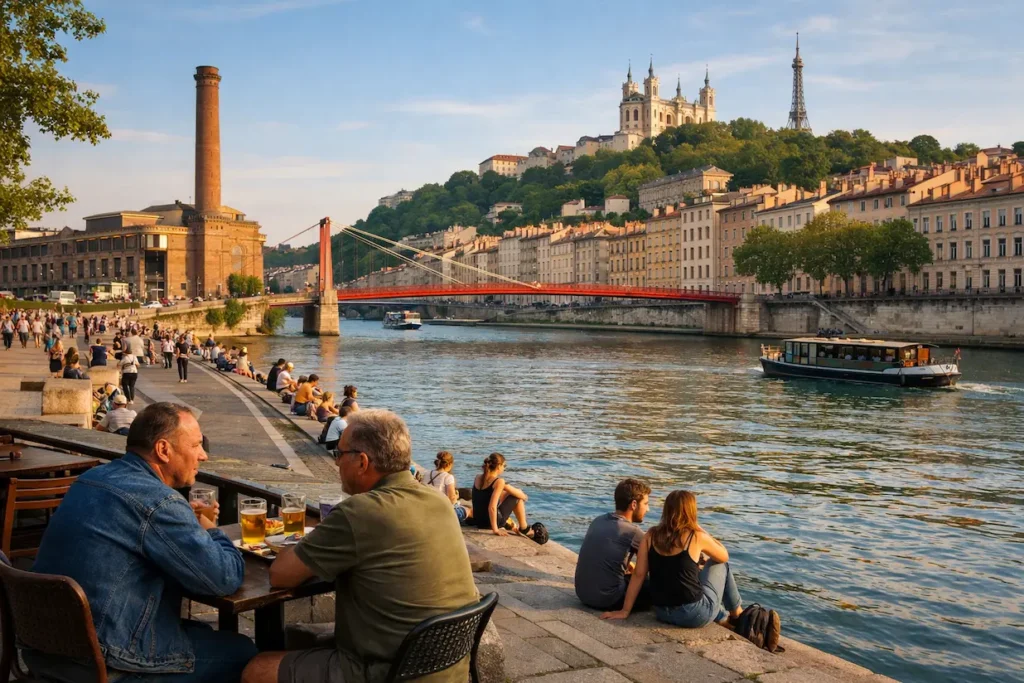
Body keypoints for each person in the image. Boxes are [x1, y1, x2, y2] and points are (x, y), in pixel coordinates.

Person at [240, 409, 479, 683]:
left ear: (362, 462)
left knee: (256, 669)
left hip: (390, 672)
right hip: (447, 668)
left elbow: (281, 574)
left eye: (339, 454)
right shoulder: (438, 501)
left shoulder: (360, 511)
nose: (337, 462)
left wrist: (310, 540)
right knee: (300, 640)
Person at [29, 403, 257, 682]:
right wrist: (208, 527)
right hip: (104, 661)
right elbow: (224, 577)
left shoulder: (91, 478)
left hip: (45, 648)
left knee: (202, 634)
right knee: (243, 651)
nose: (203, 455)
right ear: (163, 450)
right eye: (197, 445)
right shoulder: (159, 502)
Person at [601, 490, 748, 633]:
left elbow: (638, 575)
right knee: (721, 565)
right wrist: (698, 527)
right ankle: (737, 615)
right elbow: (724, 556)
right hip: (694, 616)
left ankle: (725, 617)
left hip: (662, 612)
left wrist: (625, 611)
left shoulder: (651, 535)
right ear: (691, 511)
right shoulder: (695, 536)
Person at [575, 479, 652, 611]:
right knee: (657, 586)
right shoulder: (633, 532)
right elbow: (658, 564)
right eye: (646, 503)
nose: (648, 509)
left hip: (583, 595)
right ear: (634, 504)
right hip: (609, 600)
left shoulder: (597, 520)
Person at [472, 452, 539, 541]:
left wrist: (511, 489)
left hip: (479, 520)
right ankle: (524, 528)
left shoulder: (478, 477)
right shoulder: (499, 481)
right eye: (504, 465)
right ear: (499, 466)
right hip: (489, 523)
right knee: (516, 498)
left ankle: (523, 527)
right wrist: (495, 530)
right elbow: (492, 507)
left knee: (510, 493)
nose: (504, 468)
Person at [425, 451, 471, 525]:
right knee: (468, 510)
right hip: (442, 511)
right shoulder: (448, 477)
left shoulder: (427, 473)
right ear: (450, 464)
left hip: (428, 508)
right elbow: (452, 500)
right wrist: (457, 496)